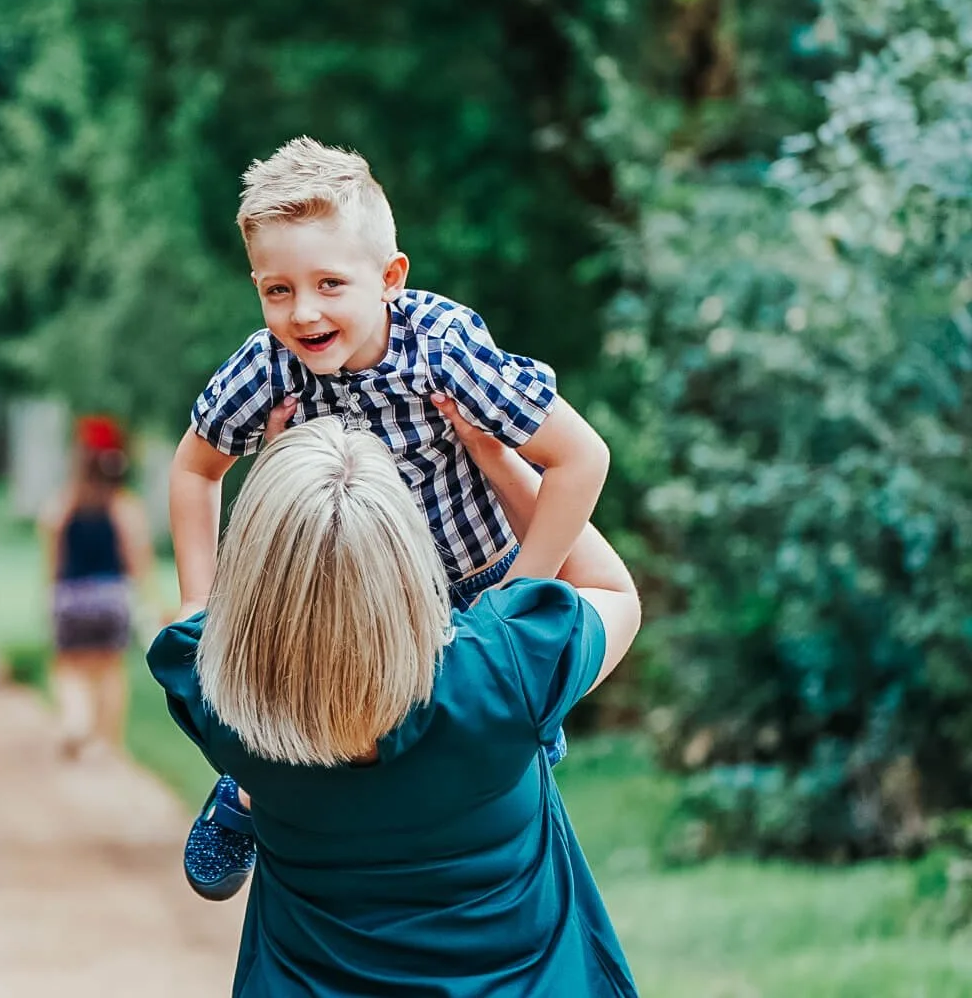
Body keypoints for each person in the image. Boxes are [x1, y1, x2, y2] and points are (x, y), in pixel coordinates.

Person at [169, 137, 611, 898]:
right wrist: (199, 603)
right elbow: (193, 468)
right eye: (278, 291)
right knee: (290, 714)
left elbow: (582, 458)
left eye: (329, 284)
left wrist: (520, 597)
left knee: (471, 746)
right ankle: (245, 789)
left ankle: (508, 796)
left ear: (390, 277)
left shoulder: (443, 351)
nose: (303, 312)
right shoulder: (267, 366)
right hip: (329, 590)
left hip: (468, 585)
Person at [149, 407, 642, 996]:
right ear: (411, 558)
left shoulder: (217, 696)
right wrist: (499, 462)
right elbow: (612, 592)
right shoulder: (500, 669)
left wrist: (276, 498)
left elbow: (200, 614)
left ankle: (248, 794)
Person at [39, 415, 159, 761]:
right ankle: (106, 742)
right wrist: (149, 601)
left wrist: (50, 596)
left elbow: (53, 554)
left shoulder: (64, 504)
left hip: (71, 597)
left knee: (68, 665)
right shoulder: (124, 506)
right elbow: (138, 560)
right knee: (110, 669)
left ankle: (76, 718)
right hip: (113, 597)